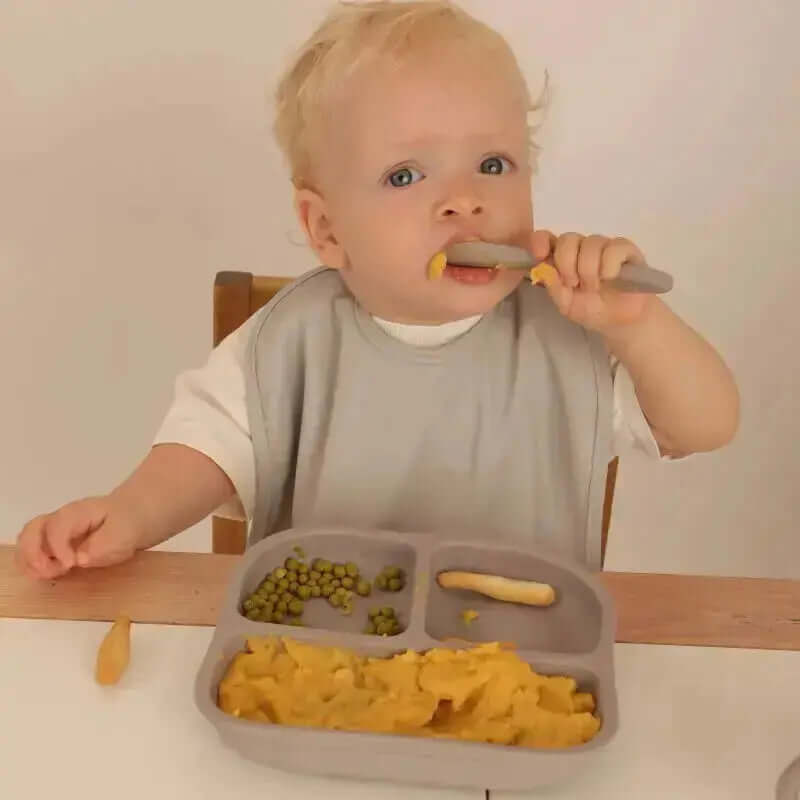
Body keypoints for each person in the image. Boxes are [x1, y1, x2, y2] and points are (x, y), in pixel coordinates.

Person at [16, 0, 739, 580]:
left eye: (493, 164)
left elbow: (706, 425)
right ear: (327, 229)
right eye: (405, 175)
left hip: (527, 671)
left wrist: (637, 325)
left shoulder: (571, 335)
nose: (464, 201)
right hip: (319, 667)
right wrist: (129, 514)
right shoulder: (288, 344)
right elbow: (204, 450)